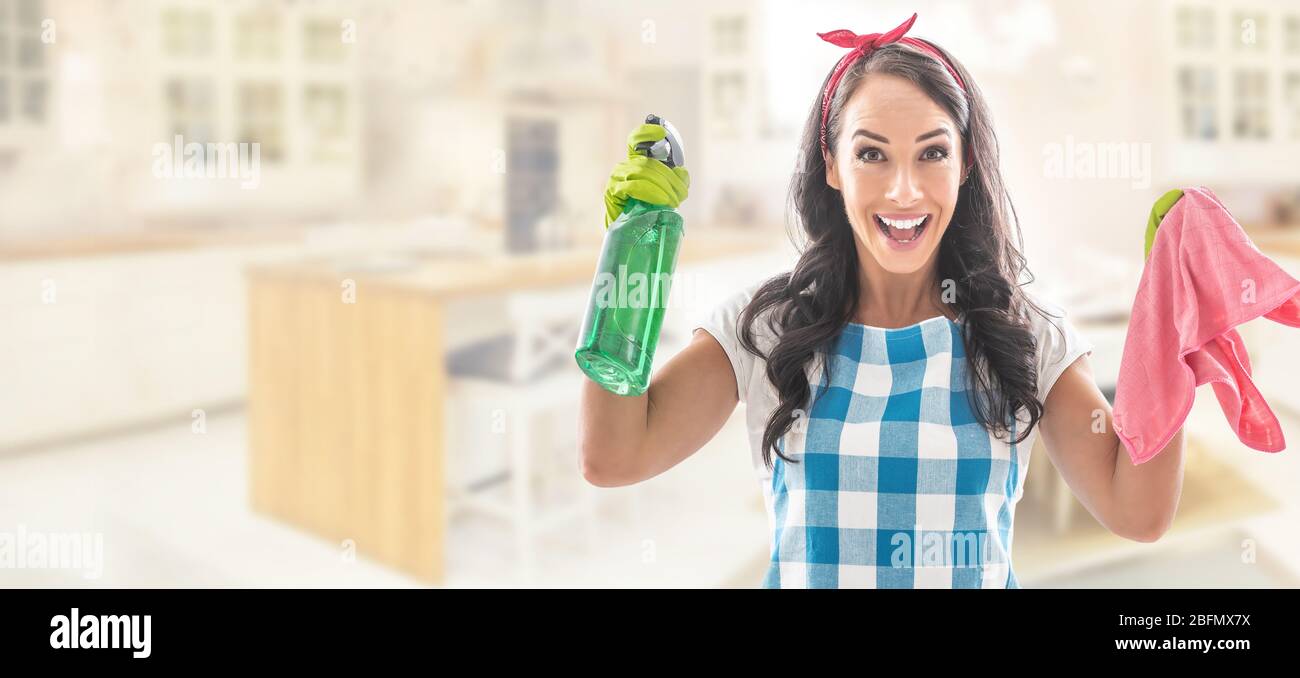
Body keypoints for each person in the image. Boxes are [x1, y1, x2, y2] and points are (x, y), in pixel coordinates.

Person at [578, 13, 1185, 588]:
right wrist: (633, 250)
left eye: (933, 153)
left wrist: (1172, 313)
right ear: (832, 165)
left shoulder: (1023, 335)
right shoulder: (764, 329)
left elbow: (1139, 512)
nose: (903, 189)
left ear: (965, 163)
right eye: (871, 153)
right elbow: (614, 456)